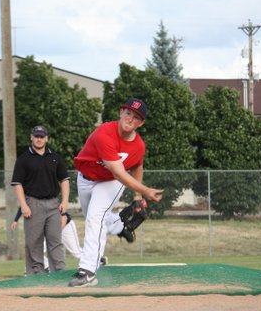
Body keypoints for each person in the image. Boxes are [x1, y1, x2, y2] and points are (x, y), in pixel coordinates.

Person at [68, 98, 163, 287]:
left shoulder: (138, 146)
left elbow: (136, 166)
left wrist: (137, 196)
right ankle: (120, 226)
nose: (130, 119)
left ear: (141, 123)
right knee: (96, 220)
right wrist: (144, 190)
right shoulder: (105, 132)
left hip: (111, 182)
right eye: (128, 113)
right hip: (86, 179)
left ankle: (88, 271)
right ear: (121, 112)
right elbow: (118, 169)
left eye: (136, 118)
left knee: (95, 218)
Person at [11, 125, 70, 276]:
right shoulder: (24, 159)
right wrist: (23, 205)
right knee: (34, 242)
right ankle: (36, 275)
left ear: (46, 138)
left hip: (53, 204)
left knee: (55, 241)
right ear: (31, 137)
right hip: (33, 203)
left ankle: (59, 273)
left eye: (42, 136)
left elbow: (64, 180)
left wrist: (64, 201)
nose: (39, 139)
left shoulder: (55, 157)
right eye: (36, 136)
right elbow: (17, 184)